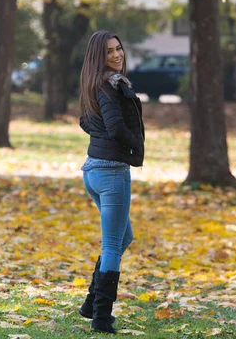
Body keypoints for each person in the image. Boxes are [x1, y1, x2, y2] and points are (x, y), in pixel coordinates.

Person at [77, 31, 145, 334]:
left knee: (123, 237)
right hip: (111, 172)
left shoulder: (95, 83)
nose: (117, 55)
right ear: (98, 57)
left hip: (93, 170)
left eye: (119, 48)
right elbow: (116, 127)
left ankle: (91, 304)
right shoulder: (109, 86)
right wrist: (136, 146)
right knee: (113, 246)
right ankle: (101, 319)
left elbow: (85, 122)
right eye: (109, 52)